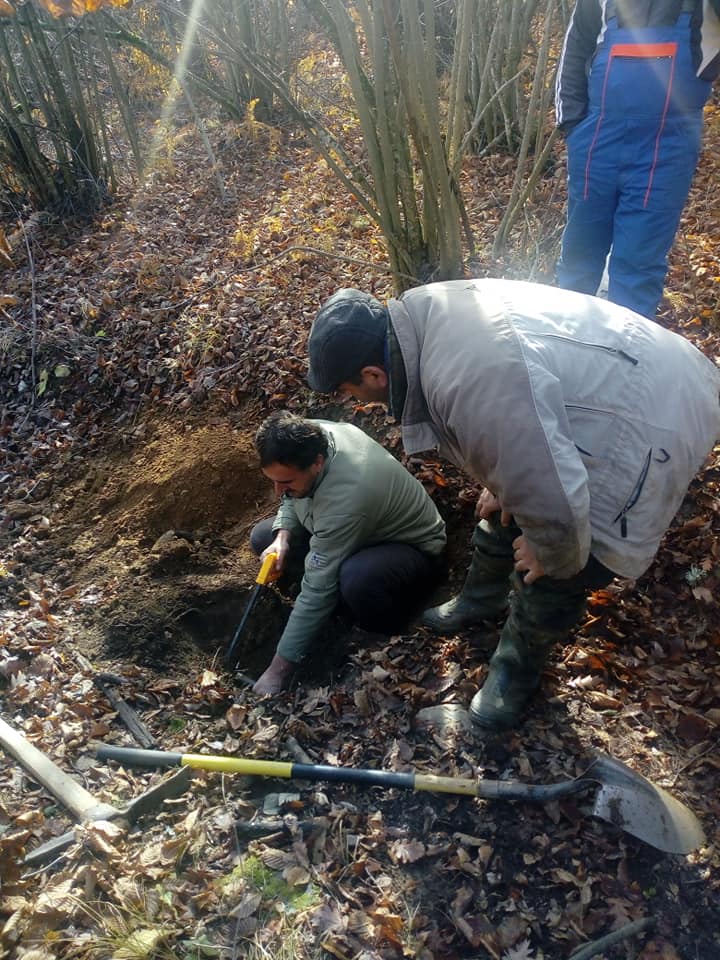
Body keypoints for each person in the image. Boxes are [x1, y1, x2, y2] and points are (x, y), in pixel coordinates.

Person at [306, 283, 720, 730]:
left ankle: (516, 670)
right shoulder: (426, 318)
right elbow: (518, 427)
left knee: (567, 559)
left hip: (651, 412)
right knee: (506, 505)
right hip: (611, 385)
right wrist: (504, 483)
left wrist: (547, 549)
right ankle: (481, 601)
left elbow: (551, 498)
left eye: (350, 390)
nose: (354, 401)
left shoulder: (468, 378)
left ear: (374, 375)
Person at [249, 412, 446, 695]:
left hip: (411, 550)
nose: (278, 490)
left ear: (317, 464)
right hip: (353, 529)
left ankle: (375, 630)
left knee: (356, 580)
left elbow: (317, 589)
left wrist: (277, 670)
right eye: (274, 480)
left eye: (286, 482)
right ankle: (326, 599)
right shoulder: (309, 437)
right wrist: (282, 537)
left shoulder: (347, 497)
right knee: (263, 537)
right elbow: (291, 499)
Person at [555, 0, 720, 319]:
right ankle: (567, 346)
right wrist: (573, 126)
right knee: (578, 256)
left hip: (666, 148)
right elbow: (575, 50)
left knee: (638, 265)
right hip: (597, 142)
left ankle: (626, 359)